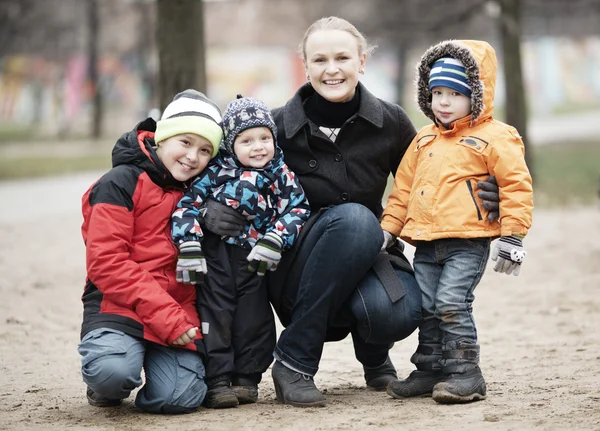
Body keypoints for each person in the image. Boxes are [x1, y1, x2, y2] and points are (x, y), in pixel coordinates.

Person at [199, 17, 501, 408]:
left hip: (369, 257)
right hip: (292, 267)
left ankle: (374, 353)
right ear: (305, 67)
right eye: (320, 59)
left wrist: (479, 187)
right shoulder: (271, 128)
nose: (332, 68)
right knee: (356, 218)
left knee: (399, 309)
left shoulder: (390, 121)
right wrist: (206, 209)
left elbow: (431, 173)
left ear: (361, 61)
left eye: (342, 57)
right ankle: (294, 360)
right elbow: (204, 169)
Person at [381, 40, 534, 404]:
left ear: (476, 95)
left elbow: (515, 185)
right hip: (427, 243)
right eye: (436, 93)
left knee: (451, 301)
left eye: (455, 93)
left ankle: (466, 372)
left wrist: (513, 237)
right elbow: (403, 189)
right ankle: (431, 367)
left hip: (467, 240)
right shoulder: (423, 139)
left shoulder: (496, 137)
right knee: (427, 305)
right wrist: (388, 228)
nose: (444, 102)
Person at [78, 89, 224, 414]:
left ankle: (155, 367)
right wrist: (167, 317)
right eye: (185, 142)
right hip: (119, 305)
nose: (192, 157)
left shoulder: (205, 193)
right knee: (111, 374)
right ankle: (109, 375)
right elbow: (107, 262)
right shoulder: (118, 183)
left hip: (179, 309)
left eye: (204, 150)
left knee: (179, 397)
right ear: (162, 137)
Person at [171, 95, 310, 409]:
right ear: (230, 145)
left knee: (254, 318)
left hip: (255, 259)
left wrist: (275, 238)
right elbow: (186, 207)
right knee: (215, 315)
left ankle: (247, 377)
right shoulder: (216, 172)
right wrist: (189, 244)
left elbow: (298, 209)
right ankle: (217, 379)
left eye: (264, 138)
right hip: (216, 258)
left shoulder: (281, 175)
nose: (258, 146)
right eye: (247, 140)